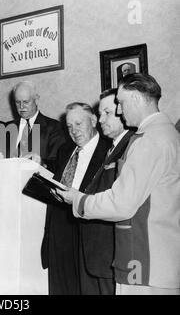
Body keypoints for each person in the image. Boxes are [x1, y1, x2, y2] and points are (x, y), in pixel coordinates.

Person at [58, 73, 180, 295]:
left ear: (135, 99)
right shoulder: (168, 133)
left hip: (144, 259)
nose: (120, 111)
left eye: (121, 103)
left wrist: (78, 200)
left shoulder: (149, 140)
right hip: (161, 258)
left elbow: (121, 204)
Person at [41, 102, 110, 295]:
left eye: (79, 124)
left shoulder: (108, 151)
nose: (74, 131)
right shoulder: (65, 150)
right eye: (70, 127)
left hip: (88, 233)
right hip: (59, 233)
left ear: (94, 120)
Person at [79, 89, 134, 295]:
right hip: (101, 254)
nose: (100, 119)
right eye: (100, 113)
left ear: (123, 111)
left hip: (114, 253)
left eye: (107, 113)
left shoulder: (131, 145)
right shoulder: (111, 148)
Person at [7, 81, 65, 170]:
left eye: (26, 102)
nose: (21, 107)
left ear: (36, 100)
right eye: (18, 102)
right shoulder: (6, 128)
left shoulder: (54, 127)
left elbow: (59, 165)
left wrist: (41, 163)